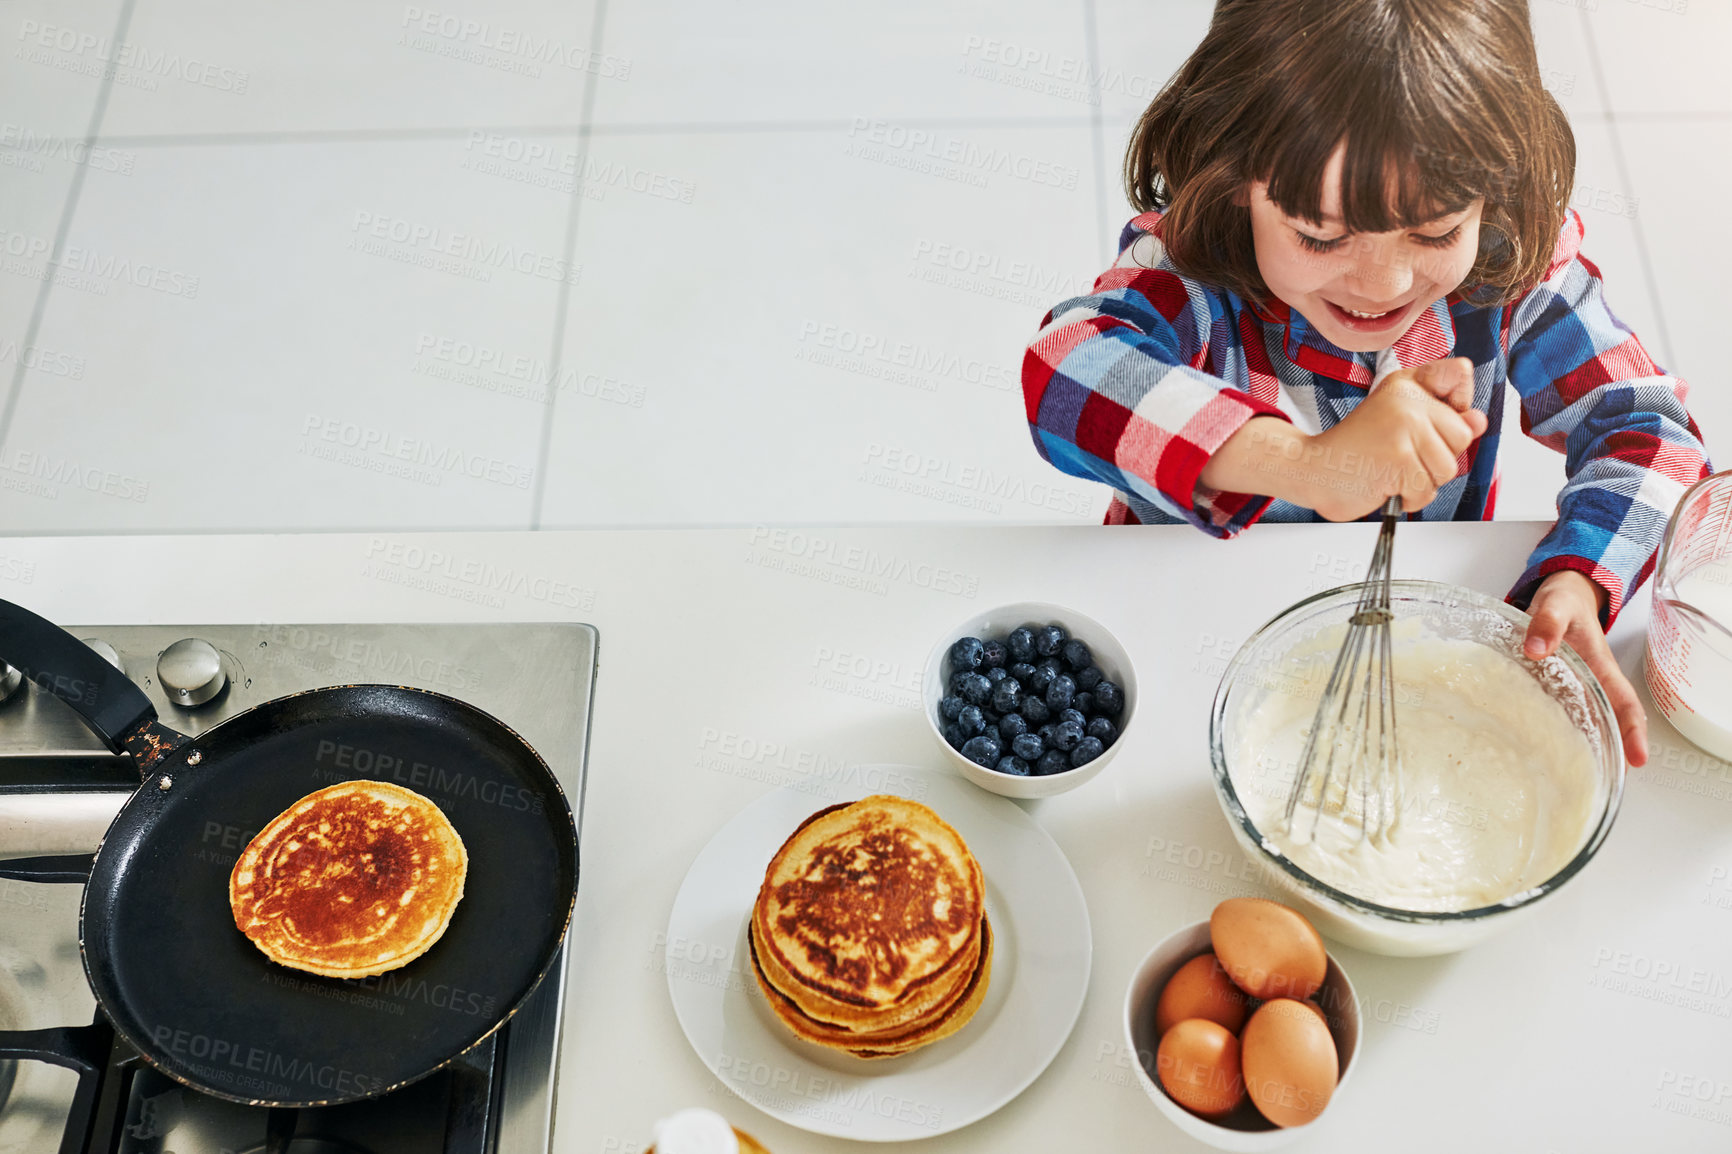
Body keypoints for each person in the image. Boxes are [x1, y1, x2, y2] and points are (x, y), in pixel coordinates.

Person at [1022, 0, 1708, 767]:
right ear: (1235, 175)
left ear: (1498, 188)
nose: (1384, 283)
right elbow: (1063, 373)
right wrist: (1306, 465)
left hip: (1402, 659)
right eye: (1321, 235)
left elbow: (1655, 435)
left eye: (1437, 231)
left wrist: (1580, 577)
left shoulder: (1513, 269)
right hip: (1178, 634)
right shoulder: (1192, 272)